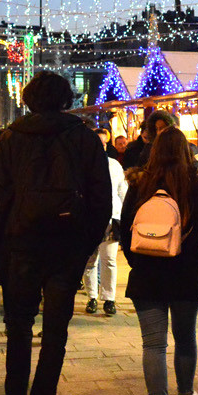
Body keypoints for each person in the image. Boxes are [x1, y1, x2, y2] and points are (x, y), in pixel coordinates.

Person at [0, 71, 111, 395]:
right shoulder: (84, 138)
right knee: (55, 335)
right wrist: (87, 245)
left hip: (20, 247)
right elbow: (101, 199)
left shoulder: (11, 139)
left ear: (28, 98)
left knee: (17, 327)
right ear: (66, 98)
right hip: (66, 250)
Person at [119, 127, 198, 395]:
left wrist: (139, 262)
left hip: (147, 277)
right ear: (185, 151)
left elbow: (125, 229)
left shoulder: (140, 183)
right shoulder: (193, 182)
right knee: (185, 338)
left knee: (153, 345)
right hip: (185, 276)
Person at [85, 128, 127, 317]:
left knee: (109, 260)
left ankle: (109, 298)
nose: (101, 145)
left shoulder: (114, 165)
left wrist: (125, 213)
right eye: (98, 141)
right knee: (90, 261)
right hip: (89, 219)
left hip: (111, 218)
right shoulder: (82, 165)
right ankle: (91, 296)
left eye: (103, 142)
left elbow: (122, 191)